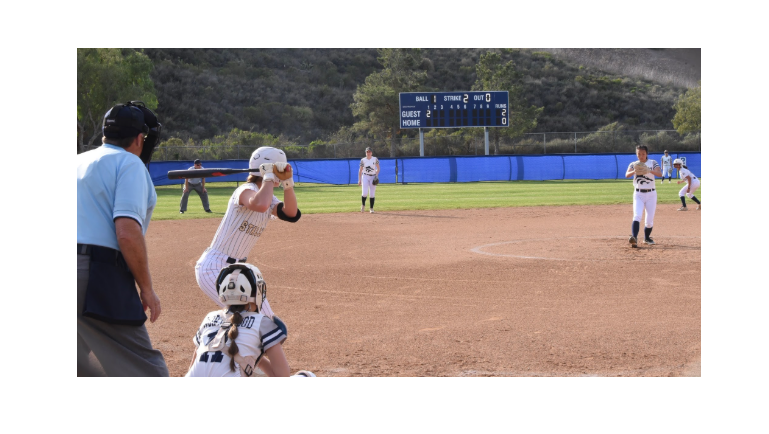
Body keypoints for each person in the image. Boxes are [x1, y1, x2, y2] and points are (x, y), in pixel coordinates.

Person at [77, 101, 169, 376]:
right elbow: (127, 233)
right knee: (148, 372)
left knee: (84, 367)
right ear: (140, 139)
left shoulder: (77, 161)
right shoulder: (130, 163)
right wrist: (147, 290)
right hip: (95, 274)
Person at [195, 146, 300, 317]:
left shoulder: (268, 197)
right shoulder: (244, 190)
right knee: (252, 320)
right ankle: (211, 341)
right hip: (214, 268)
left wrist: (288, 184)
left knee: (266, 322)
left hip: (237, 270)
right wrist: (268, 177)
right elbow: (260, 205)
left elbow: (292, 213)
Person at [185, 263, 316, 377]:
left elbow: (194, 366)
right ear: (257, 292)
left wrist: (251, 358)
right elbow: (282, 376)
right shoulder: (263, 323)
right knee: (305, 377)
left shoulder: (209, 317)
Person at [625, 145, 663, 248]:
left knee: (649, 221)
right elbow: (627, 175)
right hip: (638, 194)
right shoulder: (634, 164)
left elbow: (660, 173)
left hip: (651, 194)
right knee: (637, 215)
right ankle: (634, 239)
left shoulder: (652, 163)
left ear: (647, 154)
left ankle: (647, 238)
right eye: (639, 154)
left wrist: (649, 170)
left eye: (643, 154)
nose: (641, 156)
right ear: (636, 154)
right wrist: (635, 171)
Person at [358, 147, 380, 213]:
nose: (368, 153)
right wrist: (359, 180)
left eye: (369, 151)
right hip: (365, 176)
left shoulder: (375, 159)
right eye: (367, 152)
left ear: (371, 152)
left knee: (372, 194)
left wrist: (376, 175)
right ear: (365, 153)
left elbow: (378, 168)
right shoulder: (363, 160)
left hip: (373, 176)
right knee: (364, 193)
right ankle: (363, 205)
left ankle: (371, 208)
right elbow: (360, 170)